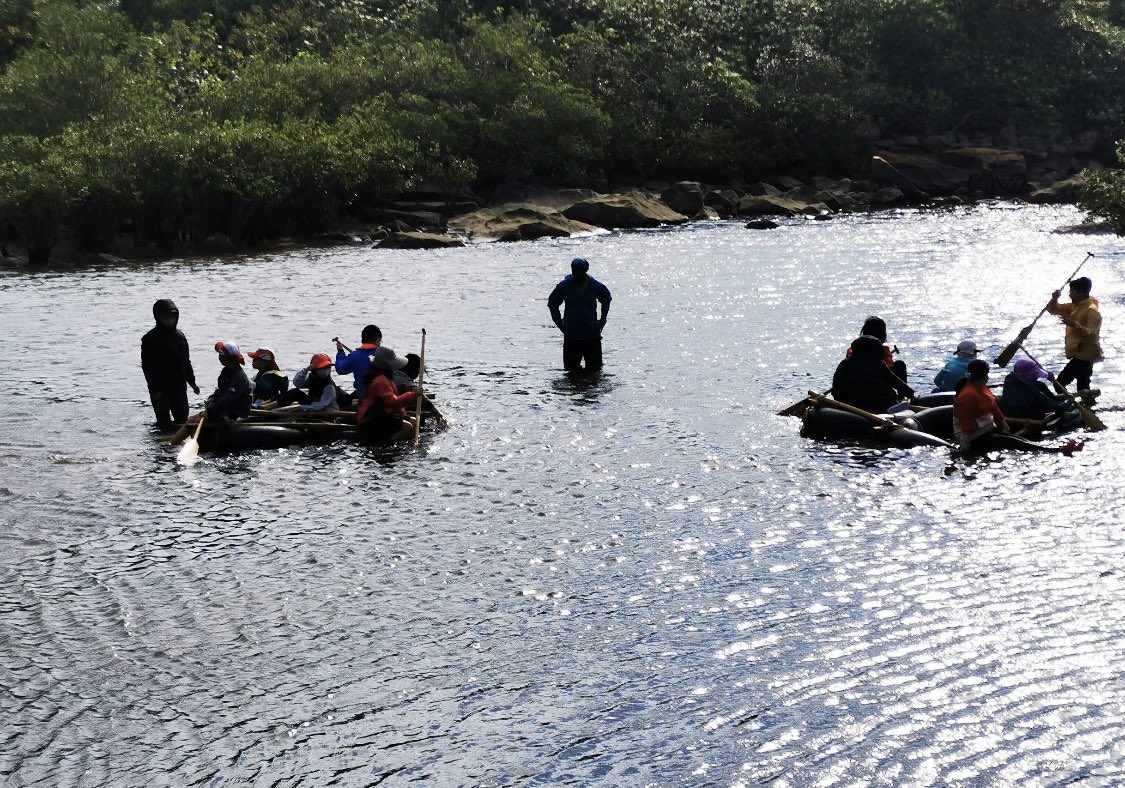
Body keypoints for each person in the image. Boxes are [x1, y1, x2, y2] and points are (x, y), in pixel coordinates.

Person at [953, 359, 1082, 455]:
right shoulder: (967, 395)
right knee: (1013, 443)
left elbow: (995, 411)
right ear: (981, 376)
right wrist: (965, 448)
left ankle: (1057, 449)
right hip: (974, 437)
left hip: (987, 430)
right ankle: (1057, 450)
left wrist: (1005, 429)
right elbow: (966, 426)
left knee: (1016, 439)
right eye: (987, 374)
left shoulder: (982, 388)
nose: (988, 377)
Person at [141, 299, 200, 426]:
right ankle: (163, 444)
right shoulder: (150, 339)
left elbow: (186, 362)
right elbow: (147, 367)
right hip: (160, 389)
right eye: (167, 318)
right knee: (163, 423)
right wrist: (154, 389)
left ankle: (176, 446)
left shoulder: (180, 337)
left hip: (179, 386)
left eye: (173, 317)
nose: (170, 320)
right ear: (158, 317)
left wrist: (193, 383)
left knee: (182, 421)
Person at [548, 257, 612, 373]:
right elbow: (552, 303)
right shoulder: (564, 286)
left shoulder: (596, 286)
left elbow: (607, 299)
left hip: (592, 335)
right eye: (575, 271)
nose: (578, 274)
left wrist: (602, 320)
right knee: (571, 372)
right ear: (572, 271)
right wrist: (559, 324)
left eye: (580, 271)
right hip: (571, 337)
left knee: (595, 372)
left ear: (586, 270)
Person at [833, 334, 915, 413]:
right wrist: (911, 394)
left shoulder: (845, 363)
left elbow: (836, 386)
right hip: (879, 404)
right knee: (890, 399)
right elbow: (896, 382)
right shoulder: (879, 365)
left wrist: (839, 401)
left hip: (851, 404)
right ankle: (893, 407)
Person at [1046, 276, 1102, 391]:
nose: (1070, 294)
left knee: (1059, 383)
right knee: (1083, 387)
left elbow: (1092, 333)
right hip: (1078, 352)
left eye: (1072, 292)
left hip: (1086, 355)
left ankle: (1064, 407)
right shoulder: (1074, 306)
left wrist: (1074, 324)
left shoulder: (1091, 311)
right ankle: (1088, 405)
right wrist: (1054, 299)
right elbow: (1053, 310)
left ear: (1081, 293)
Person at [357, 347, 420, 442]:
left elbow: (391, 401)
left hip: (383, 414)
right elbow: (392, 402)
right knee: (407, 428)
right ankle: (387, 443)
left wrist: (402, 413)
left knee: (415, 422)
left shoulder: (386, 377)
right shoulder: (380, 380)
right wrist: (412, 395)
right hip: (371, 418)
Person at [999, 358, 1079, 422]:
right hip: (1026, 418)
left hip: (1008, 412)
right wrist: (1069, 401)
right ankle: (1065, 415)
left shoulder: (1009, 378)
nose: (1037, 377)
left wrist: (1047, 374)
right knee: (1048, 399)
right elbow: (1053, 406)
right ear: (1029, 377)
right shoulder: (1033, 392)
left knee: (1040, 385)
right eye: (1035, 376)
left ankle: (1062, 412)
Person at [197, 341, 252, 422]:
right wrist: (213, 398)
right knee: (192, 419)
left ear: (223, 358)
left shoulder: (238, 377)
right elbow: (222, 390)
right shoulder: (227, 371)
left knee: (194, 420)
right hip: (227, 408)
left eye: (219, 355)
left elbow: (228, 399)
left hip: (235, 413)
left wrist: (209, 411)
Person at [265, 353, 340, 412]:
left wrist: (302, 408)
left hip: (326, 411)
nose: (325, 370)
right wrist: (306, 370)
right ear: (314, 370)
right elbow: (297, 383)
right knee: (295, 392)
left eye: (327, 367)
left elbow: (321, 406)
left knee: (296, 394)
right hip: (314, 403)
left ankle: (268, 407)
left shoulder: (329, 386)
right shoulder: (313, 378)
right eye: (322, 368)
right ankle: (266, 403)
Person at [846, 315, 907, 383]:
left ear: (864, 331)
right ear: (883, 334)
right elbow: (889, 368)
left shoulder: (852, 349)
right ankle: (902, 393)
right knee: (900, 364)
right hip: (878, 384)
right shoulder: (883, 350)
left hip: (855, 384)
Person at [335, 325, 383, 397]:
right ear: (377, 339)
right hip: (383, 396)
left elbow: (340, 370)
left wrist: (340, 351)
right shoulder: (384, 354)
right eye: (380, 341)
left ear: (362, 340)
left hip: (362, 397)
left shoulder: (354, 356)